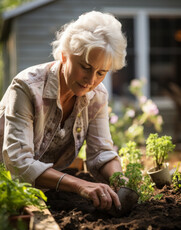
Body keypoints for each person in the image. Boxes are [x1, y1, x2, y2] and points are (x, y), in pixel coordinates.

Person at [0, 11, 127, 211]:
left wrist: (121, 182)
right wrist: (80, 185)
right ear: (64, 56)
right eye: (85, 67)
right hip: (7, 189)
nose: (91, 80)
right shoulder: (26, 87)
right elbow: (19, 164)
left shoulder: (98, 96)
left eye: (101, 72)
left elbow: (101, 151)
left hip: (44, 189)